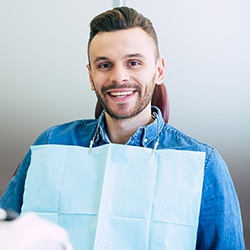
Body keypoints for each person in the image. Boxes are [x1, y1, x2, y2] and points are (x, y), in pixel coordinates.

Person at [0, 6, 244, 249]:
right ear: (90, 75)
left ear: (159, 71)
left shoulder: (203, 164)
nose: (119, 77)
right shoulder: (50, 144)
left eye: (134, 62)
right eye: (105, 65)